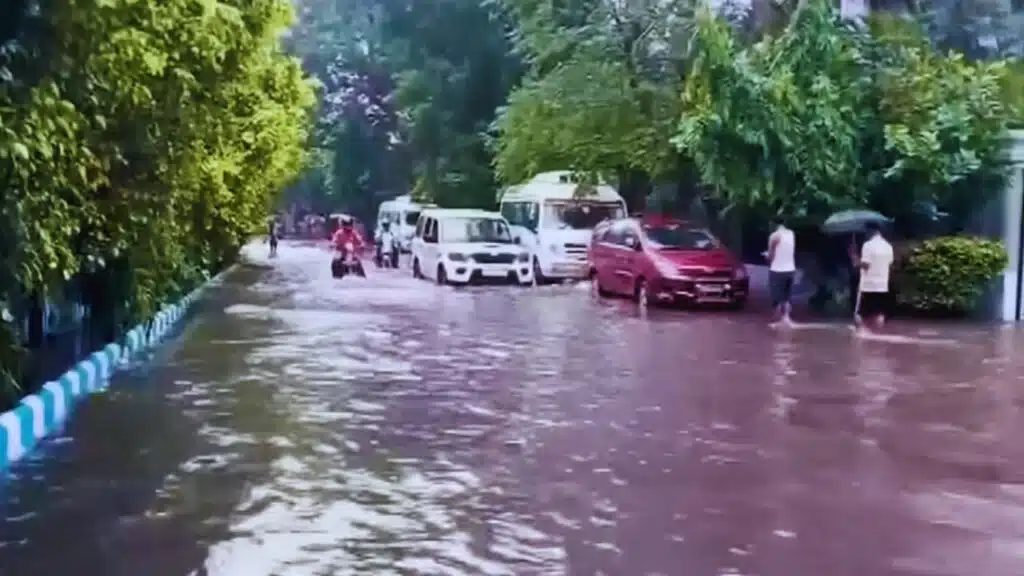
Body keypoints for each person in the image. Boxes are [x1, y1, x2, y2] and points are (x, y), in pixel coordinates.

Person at [851, 221, 894, 334]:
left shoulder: (868, 245)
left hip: (868, 285)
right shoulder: (888, 246)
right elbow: (889, 263)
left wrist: (855, 259)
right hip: (883, 285)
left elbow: (866, 265)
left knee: (859, 314)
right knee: (879, 313)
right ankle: (878, 335)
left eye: (866, 231)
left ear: (871, 231)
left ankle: (861, 335)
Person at [767, 216, 796, 325]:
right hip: (791, 269)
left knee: (777, 298)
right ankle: (787, 319)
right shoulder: (791, 234)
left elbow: (770, 255)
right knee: (787, 297)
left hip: (777, 270)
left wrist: (767, 255)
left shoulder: (774, 236)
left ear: (774, 224)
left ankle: (778, 322)